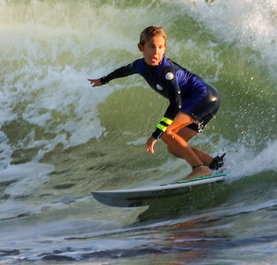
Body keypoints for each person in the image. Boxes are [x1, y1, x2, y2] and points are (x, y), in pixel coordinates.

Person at [89, 26, 223, 180]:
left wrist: (155, 134)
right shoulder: (140, 65)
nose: (156, 52)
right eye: (151, 46)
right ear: (141, 47)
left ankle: (199, 168)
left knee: (166, 133)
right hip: (199, 101)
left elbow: (175, 105)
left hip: (204, 97)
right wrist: (102, 80)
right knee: (175, 147)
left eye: (160, 47)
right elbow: (123, 71)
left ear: (165, 48)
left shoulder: (166, 73)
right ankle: (215, 165)